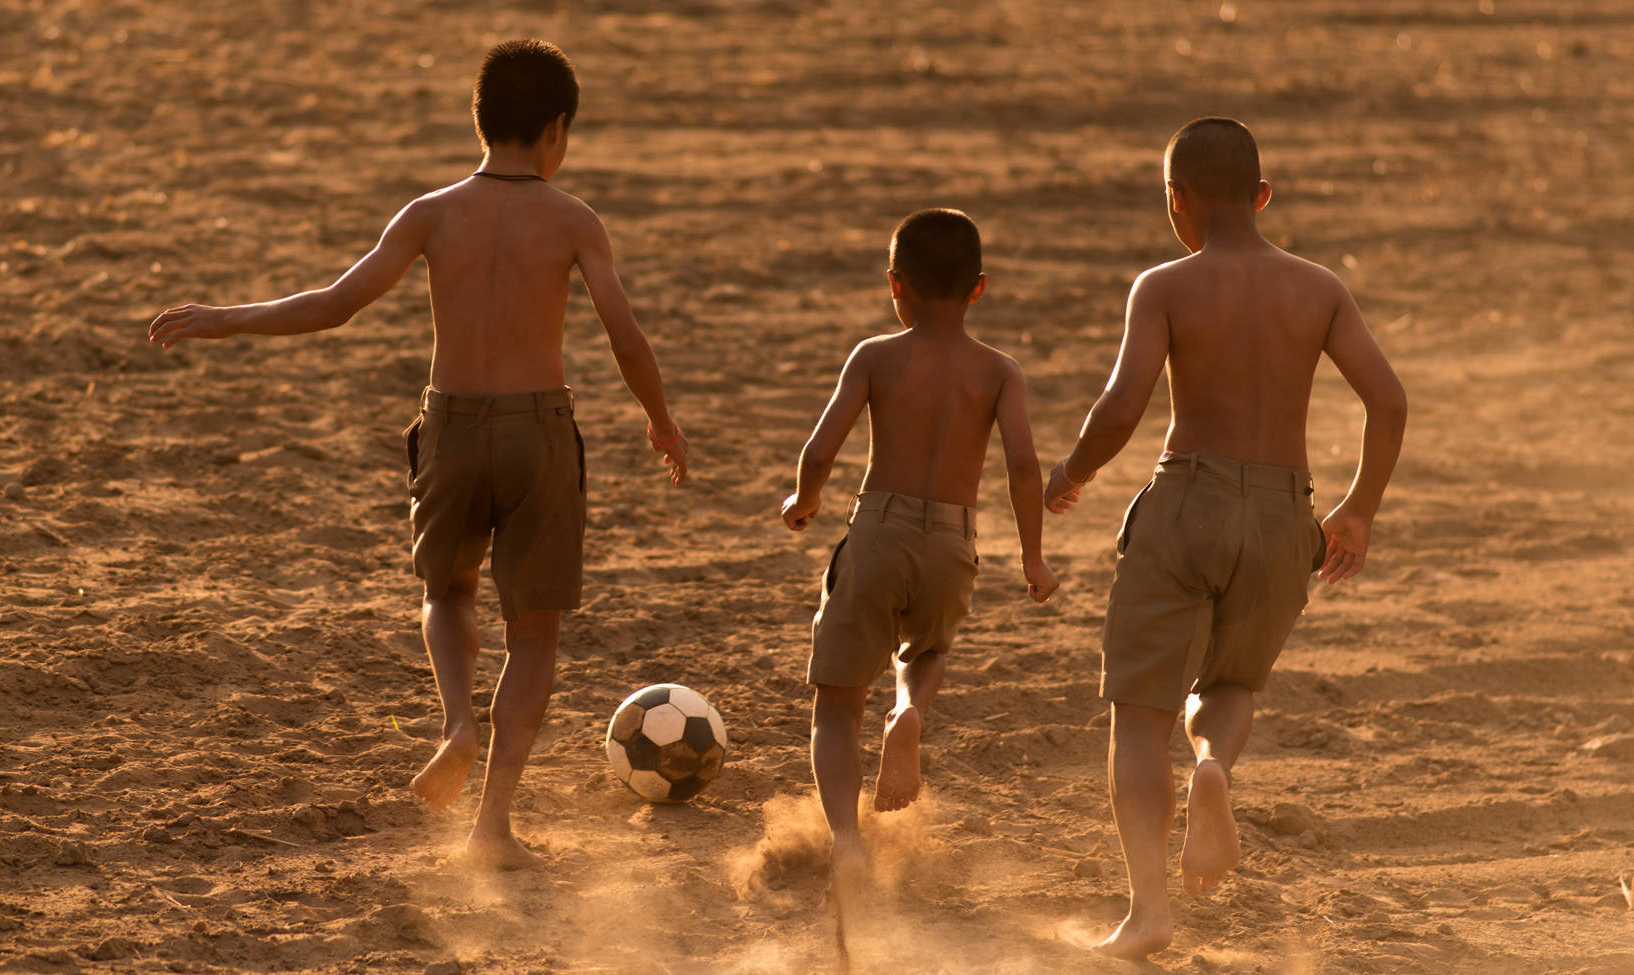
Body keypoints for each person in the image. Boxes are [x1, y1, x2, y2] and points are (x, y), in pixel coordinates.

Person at [147, 39, 689, 870]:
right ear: (557, 130)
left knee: (447, 591)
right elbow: (625, 337)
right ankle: (493, 825)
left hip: (451, 425)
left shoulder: (431, 211)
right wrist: (660, 420)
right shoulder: (575, 220)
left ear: (480, 121)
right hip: (538, 429)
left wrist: (227, 317)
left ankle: (456, 724)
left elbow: (339, 302)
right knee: (534, 632)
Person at [1042, 117, 1407, 958]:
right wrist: (1357, 509)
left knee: (1140, 716)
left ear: (1177, 202)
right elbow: (1388, 401)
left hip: (1187, 502)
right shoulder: (1319, 288)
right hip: (1286, 514)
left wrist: (1071, 472)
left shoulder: (1163, 286)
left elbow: (1123, 406)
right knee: (1233, 681)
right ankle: (1214, 768)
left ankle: (1149, 910)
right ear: (1264, 197)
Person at [781, 208, 1060, 887]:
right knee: (928, 648)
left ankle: (847, 840)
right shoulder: (999, 372)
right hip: (954, 536)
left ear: (894, 284)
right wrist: (1032, 556)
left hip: (880, 527)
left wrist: (805, 500)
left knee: (836, 703)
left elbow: (821, 448)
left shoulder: (875, 357)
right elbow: (1024, 465)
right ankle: (909, 712)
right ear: (979, 287)